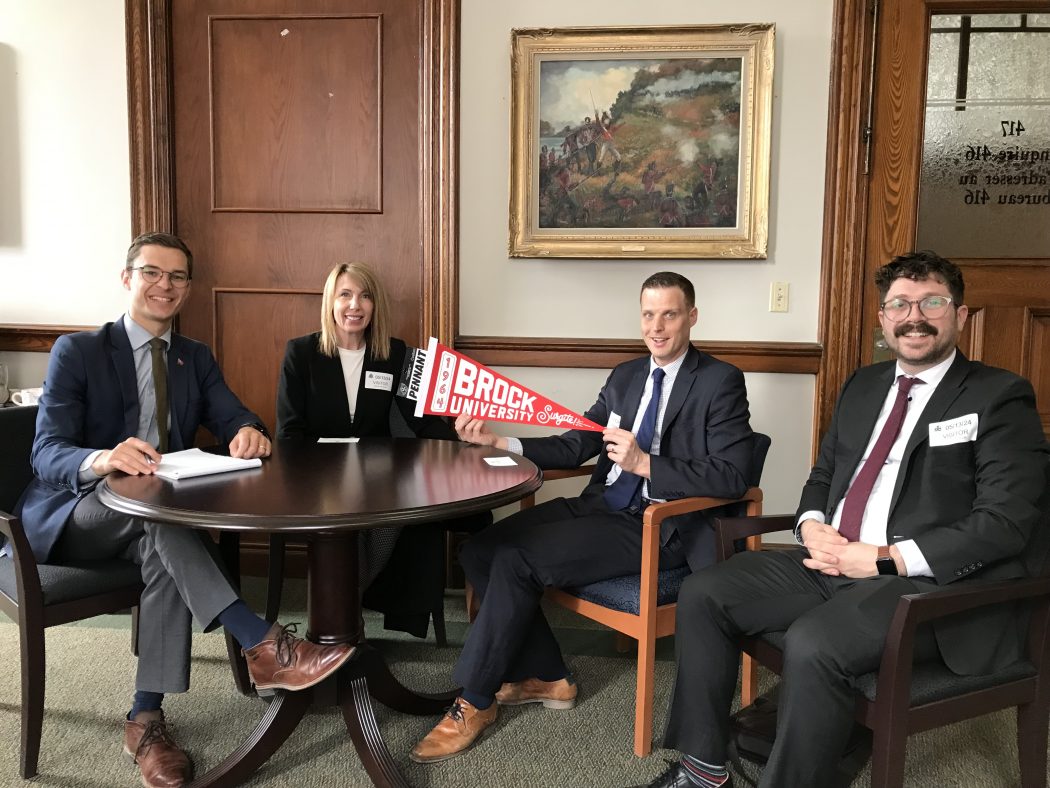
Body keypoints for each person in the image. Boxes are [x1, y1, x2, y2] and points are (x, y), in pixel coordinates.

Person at [647, 251, 1050, 788]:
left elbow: (1005, 522)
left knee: (815, 641)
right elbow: (823, 477)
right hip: (832, 558)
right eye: (899, 304)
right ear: (883, 319)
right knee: (703, 593)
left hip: (924, 583)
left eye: (932, 301)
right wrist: (810, 525)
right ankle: (704, 770)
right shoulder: (864, 385)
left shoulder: (998, 396)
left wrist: (884, 558)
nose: (915, 316)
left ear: (961, 314)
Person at [15, 232, 354, 788]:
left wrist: (247, 432)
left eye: (176, 277)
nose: (164, 286)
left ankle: (145, 721)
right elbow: (46, 451)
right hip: (77, 513)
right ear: (128, 278)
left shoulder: (192, 356)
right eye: (151, 273)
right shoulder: (78, 352)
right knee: (160, 520)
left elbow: (235, 415)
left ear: (188, 289)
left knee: (161, 539)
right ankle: (263, 643)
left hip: (154, 519)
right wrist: (103, 458)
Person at [410, 271, 755, 763]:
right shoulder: (627, 375)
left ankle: (474, 699)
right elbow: (578, 440)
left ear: (692, 317)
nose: (657, 327)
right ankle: (551, 676)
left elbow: (731, 476)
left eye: (670, 314)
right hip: (601, 506)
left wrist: (646, 465)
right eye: (648, 314)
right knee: (481, 548)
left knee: (516, 559)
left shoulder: (720, 381)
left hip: (659, 524)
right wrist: (501, 442)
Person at [277, 261, 487, 635]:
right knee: (347, 517)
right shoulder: (301, 353)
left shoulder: (394, 353)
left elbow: (419, 419)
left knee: (399, 512)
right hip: (319, 477)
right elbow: (289, 432)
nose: (354, 305)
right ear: (331, 301)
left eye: (365, 296)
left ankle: (341, 616)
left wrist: (461, 438)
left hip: (376, 476)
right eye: (345, 294)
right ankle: (345, 621)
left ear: (375, 306)